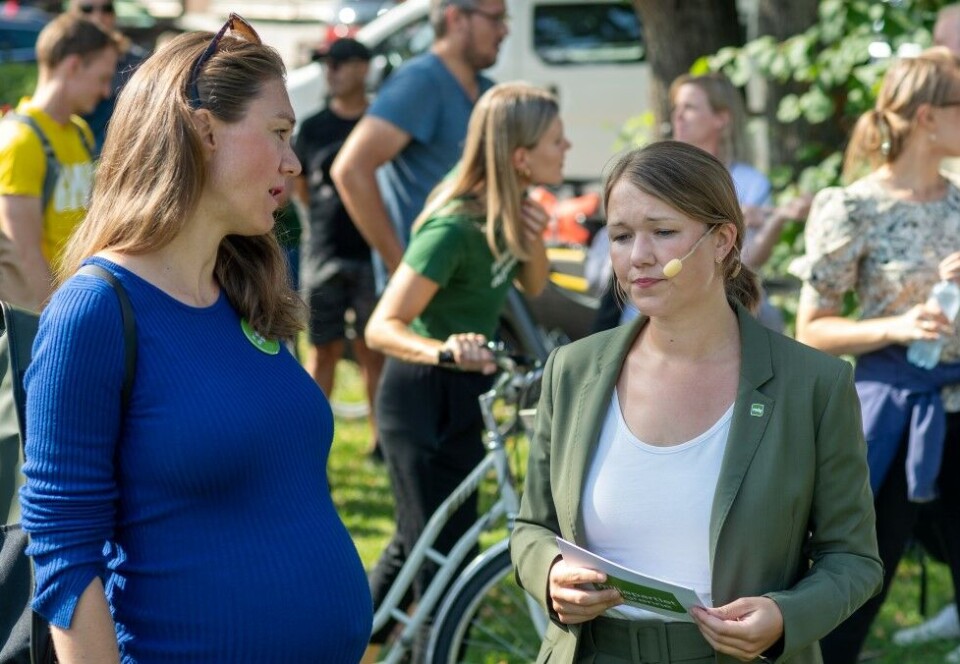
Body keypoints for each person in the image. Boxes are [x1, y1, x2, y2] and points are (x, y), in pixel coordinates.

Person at [18, 17, 372, 663]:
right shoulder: (96, 311)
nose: (294, 162)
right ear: (203, 132)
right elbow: (65, 553)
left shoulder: (244, 289)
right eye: (279, 132)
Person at [511, 140, 883, 664]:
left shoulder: (813, 384)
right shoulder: (572, 370)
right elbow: (531, 528)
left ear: (722, 241)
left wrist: (785, 617)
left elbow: (853, 557)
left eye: (663, 232)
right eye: (621, 235)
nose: (638, 255)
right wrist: (549, 572)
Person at [362, 81, 561, 658]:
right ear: (520, 157)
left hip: (466, 392)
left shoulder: (506, 215)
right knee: (434, 558)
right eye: (556, 139)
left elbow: (533, 284)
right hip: (421, 395)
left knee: (431, 545)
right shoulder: (453, 228)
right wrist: (446, 350)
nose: (567, 148)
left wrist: (533, 235)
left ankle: (358, 645)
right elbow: (381, 327)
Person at [789, 47, 960, 664]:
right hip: (890, 416)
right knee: (859, 581)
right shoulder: (854, 206)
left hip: (959, 410)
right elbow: (812, 330)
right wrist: (899, 325)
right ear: (927, 118)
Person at [331, 0, 508, 288]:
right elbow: (351, 170)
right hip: (425, 296)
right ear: (456, 18)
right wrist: (402, 269)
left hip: (468, 285)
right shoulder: (421, 81)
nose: (504, 30)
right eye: (496, 18)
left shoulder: (486, 88)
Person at [294, 37, 384, 455]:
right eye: (326, 64)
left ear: (363, 68)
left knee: (373, 350)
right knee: (323, 350)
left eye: (340, 63)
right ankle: (313, 446)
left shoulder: (378, 125)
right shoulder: (313, 127)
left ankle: (381, 443)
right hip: (324, 253)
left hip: (370, 254)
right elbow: (301, 187)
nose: (330, 72)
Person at [0, 14, 120, 311]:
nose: (106, 91)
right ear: (73, 66)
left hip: (79, 299)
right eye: (102, 78)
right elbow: (24, 254)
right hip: (47, 312)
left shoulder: (79, 132)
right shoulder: (20, 141)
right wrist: (58, 316)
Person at [66, 0, 147, 157]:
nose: (99, 15)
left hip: (120, 154)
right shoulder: (65, 60)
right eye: (87, 9)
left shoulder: (137, 62)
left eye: (106, 8)